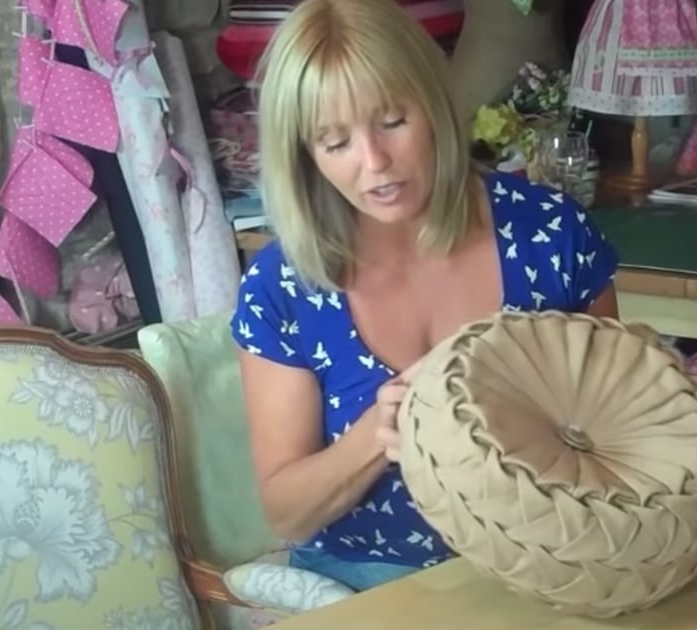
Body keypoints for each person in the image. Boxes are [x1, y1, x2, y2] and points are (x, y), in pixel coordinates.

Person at [229, 0, 620, 593]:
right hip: (368, 586)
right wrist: (375, 437)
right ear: (306, 156)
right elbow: (287, 513)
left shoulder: (551, 237)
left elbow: (618, 428)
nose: (375, 163)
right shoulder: (284, 287)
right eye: (335, 143)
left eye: (391, 121)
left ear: (433, 102)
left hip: (552, 567)